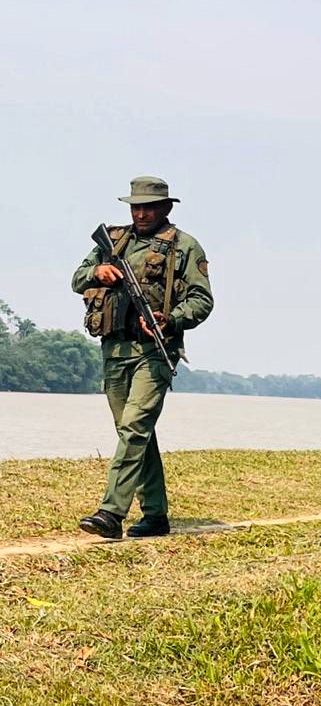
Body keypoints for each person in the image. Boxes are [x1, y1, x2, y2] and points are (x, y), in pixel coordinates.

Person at [71, 176, 214, 539]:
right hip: (114, 349)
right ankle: (155, 514)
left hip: (154, 351)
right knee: (134, 432)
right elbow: (77, 279)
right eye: (136, 207)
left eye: (149, 207)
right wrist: (97, 272)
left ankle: (111, 512)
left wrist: (172, 319)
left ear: (165, 207)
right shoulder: (113, 240)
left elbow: (202, 300)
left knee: (134, 427)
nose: (142, 214)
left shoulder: (184, 246)